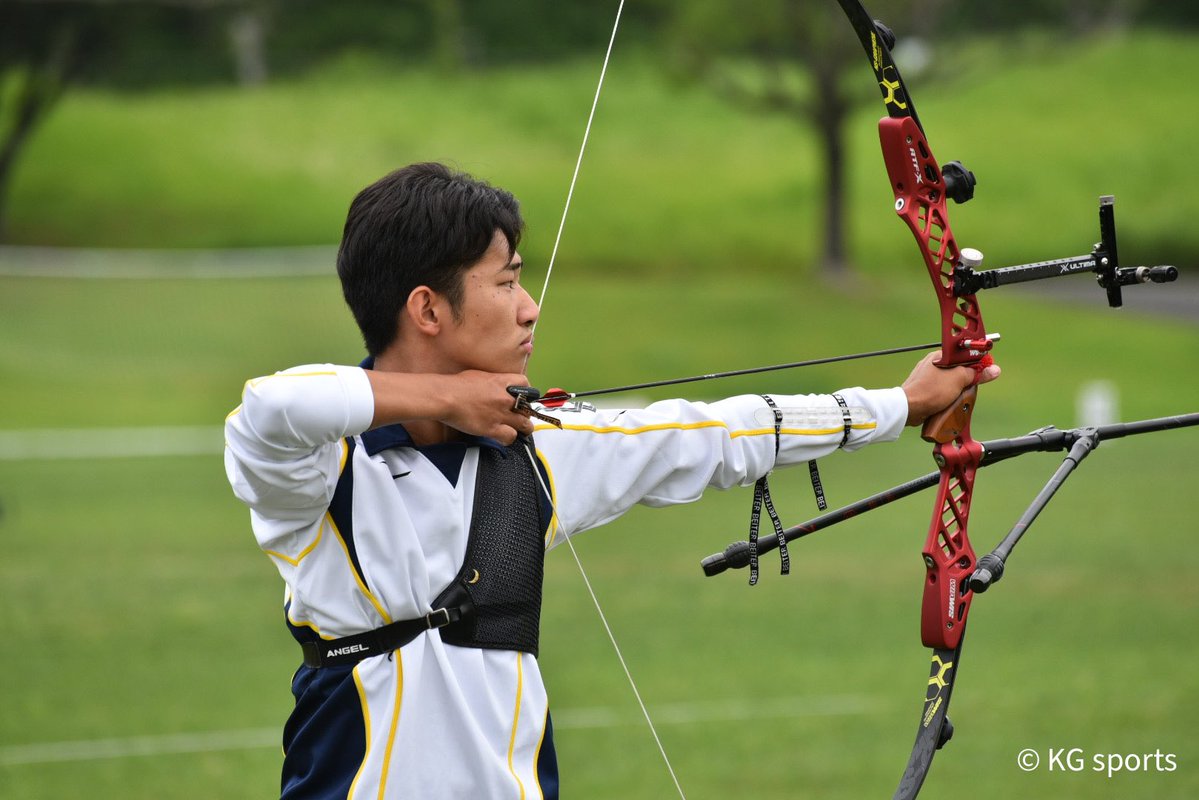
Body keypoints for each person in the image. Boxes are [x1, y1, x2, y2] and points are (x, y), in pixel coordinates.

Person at [224, 162, 1000, 799]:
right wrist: (450, 398)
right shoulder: (325, 476)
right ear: (427, 309)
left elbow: (719, 433)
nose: (530, 310)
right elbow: (270, 406)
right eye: (505, 284)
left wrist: (901, 404)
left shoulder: (537, 454)